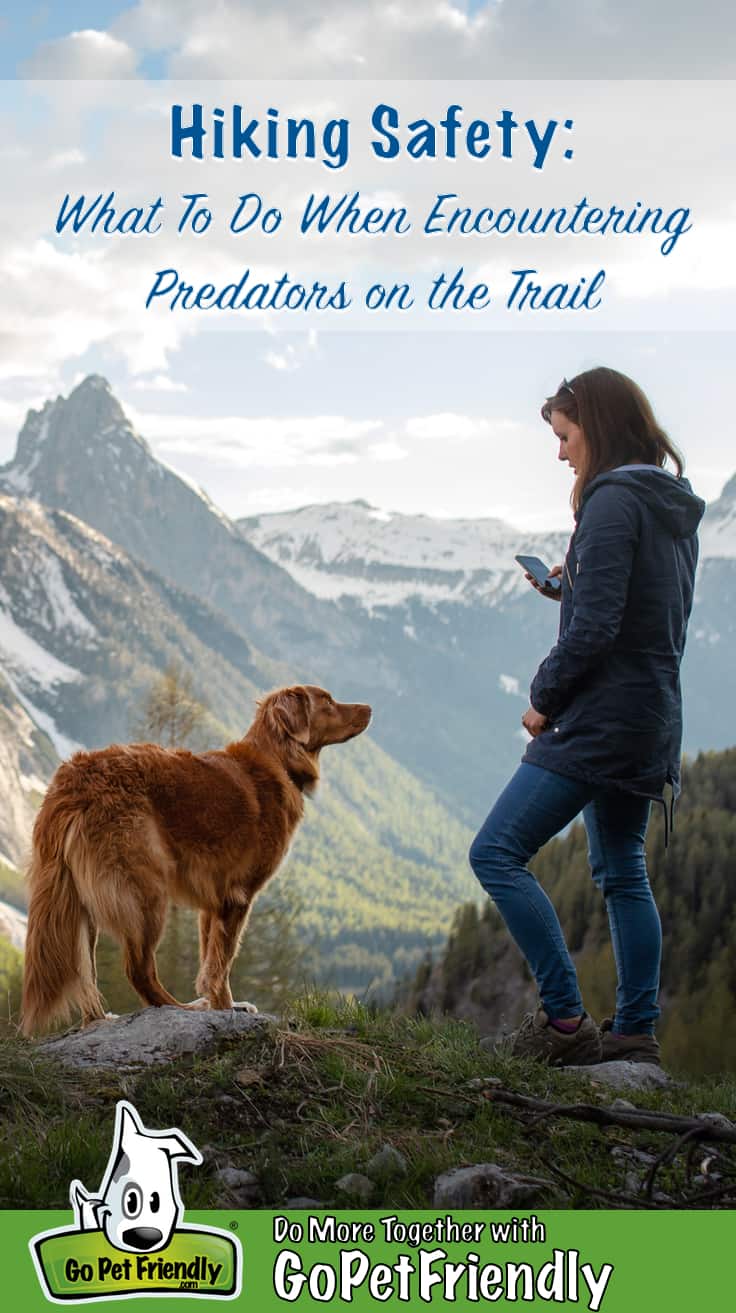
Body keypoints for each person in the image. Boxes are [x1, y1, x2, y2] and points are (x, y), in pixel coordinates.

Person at [468, 367, 705, 1066]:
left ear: (595, 428)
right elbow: (634, 603)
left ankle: (566, 1022)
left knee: (496, 851)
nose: (561, 452)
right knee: (623, 870)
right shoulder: (669, 504)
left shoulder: (608, 503)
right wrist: (563, 586)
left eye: (566, 435)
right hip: (652, 715)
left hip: (600, 718)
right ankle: (635, 1032)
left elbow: (596, 630)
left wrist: (543, 698)